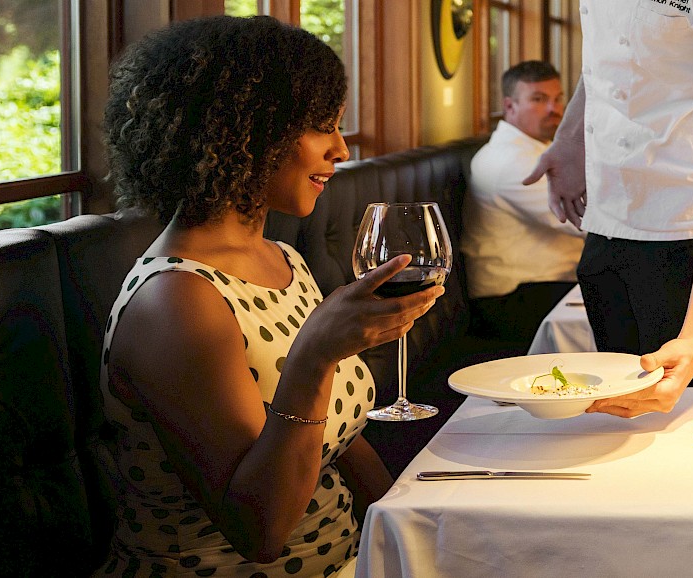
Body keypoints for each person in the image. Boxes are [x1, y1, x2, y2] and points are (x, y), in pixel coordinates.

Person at [97, 16, 441, 576]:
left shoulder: (283, 259)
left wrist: (414, 535)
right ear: (243, 130)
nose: (341, 149)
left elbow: (343, 440)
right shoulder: (177, 301)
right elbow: (259, 532)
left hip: (349, 560)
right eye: (322, 127)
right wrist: (315, 355)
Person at [523, 0, 693, 416]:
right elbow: (612, 56)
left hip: (688, 246)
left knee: (682, 429)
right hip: (604, 229)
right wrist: (571, 137)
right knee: (612, 423)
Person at [463, 60, 582, 344]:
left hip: (547, 284)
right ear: (510, 106)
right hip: (513, 298)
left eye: (558, 98)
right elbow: (581, 221)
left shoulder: (535, 148)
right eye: (538, 100)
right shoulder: (510, 162)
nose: (554, 109)